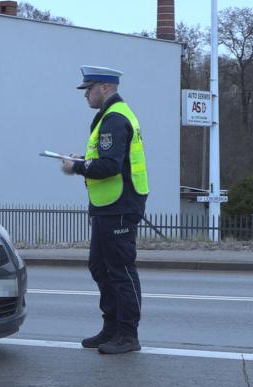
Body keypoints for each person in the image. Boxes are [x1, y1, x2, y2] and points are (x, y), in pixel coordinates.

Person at [61, 65, 149, 354]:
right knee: (100, 267)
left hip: (119, 205)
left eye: (89, 88)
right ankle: (111, 328)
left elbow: (110, 166)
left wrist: (77, 167)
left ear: (106, 88)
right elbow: (110, 158)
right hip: (106, 205)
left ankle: (127, 334)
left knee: (120, 269)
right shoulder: (107, 118)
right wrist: (84, 159)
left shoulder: (113, 119)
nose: (85, 94)